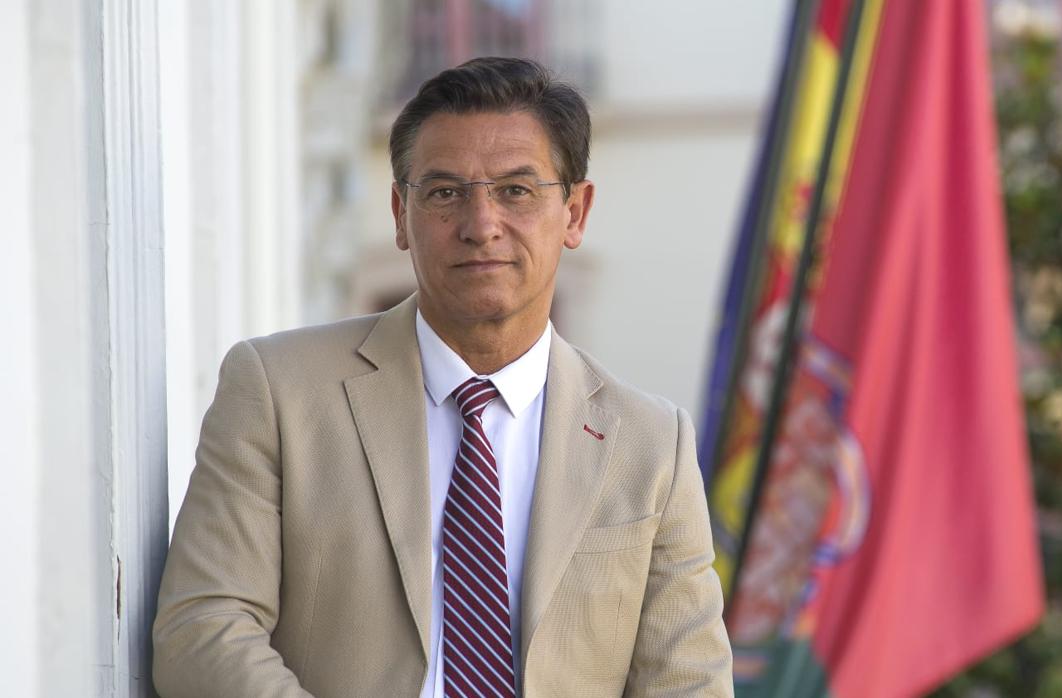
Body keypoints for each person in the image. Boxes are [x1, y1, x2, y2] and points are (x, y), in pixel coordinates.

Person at [152, 56, 732, 697]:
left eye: (517, 190)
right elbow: (203, 627)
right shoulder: (277, 391)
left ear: (575, 212)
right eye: (446, 192)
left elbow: (688, 681)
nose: (481, 225)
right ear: (401, 214)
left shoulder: (651, 446)